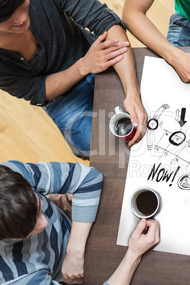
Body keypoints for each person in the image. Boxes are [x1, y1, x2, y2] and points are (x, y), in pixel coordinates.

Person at [0, 0, 147, 159]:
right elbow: (37, 90)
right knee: (109, 152)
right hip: (62, 97)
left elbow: (104, 21)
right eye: (5, 17)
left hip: (95, 53)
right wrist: (83, 66)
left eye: (22, 4)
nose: (21, 18)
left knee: (151, 104)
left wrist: (132, 93)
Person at [0, 160, 160, 284]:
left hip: (72, 233)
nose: (44, 223)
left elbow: (89, 178)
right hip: (71, 273)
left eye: (39, 208)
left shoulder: (11, 175)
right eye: (30, 229)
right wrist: (133, 255)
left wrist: (74, 251)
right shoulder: (16, 278)